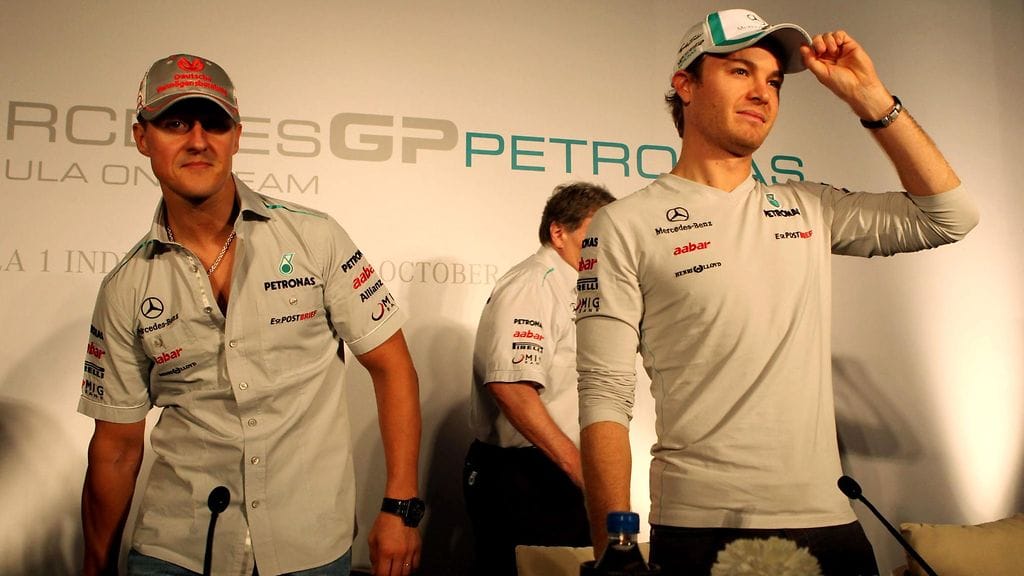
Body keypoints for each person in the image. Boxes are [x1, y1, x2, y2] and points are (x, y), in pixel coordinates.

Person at [576, 9, 978, 576]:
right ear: (686, 86)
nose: (762, 93)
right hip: (700, 528)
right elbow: (604, 394)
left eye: (774, 81)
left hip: (829, 519)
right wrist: (612, 553)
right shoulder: (624, 224)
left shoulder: (808, 205)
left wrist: (871, 99)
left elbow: (950, 216)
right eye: (740, 71)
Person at [78, 54, 424, 576]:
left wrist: (400, 505)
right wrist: (94, 563)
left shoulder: (316, 238)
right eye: (175, 122)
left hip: (310, 547)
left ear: (236, 136)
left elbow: (393, 366)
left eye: (214, 123)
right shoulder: (125, 287)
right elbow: (116, 447)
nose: (198, 140)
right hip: (178, 550)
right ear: (142, 137)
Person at [463, 182, 615, 575]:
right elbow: (511, 386)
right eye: (596, 231)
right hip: (530, 474)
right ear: (558, 232)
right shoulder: (534, 283)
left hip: (553, 468)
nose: (606, 243)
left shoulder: (577, 285)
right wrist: (579, 468)